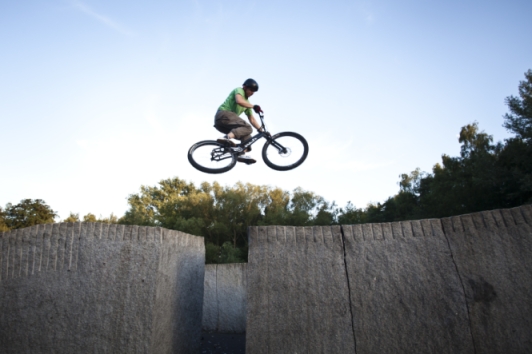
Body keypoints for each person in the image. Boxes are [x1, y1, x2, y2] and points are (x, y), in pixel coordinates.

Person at [214, 78, 264, 165]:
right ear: (245, 87)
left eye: (254, 91)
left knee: (247, 136)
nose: (252, 92)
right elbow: (239, 101)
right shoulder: (239, 90)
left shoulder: (247, 103)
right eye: (251, 90)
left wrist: (261, 131)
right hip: (223, 114)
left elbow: (251, 119)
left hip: (224, 124)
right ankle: (226, 138)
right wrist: (254, 106)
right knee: (247, 127)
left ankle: (240, 154)